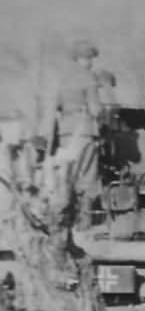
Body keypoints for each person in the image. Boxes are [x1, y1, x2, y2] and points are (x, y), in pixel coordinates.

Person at [41, 39, 104, 208]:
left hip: (65, 132)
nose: (91, 63)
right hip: (84, 130)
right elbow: (95, 109)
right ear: (85, 59)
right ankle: (84, 220)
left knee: (67, 173)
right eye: (90, 58)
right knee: (86, 177)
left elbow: (55, 107)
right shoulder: (88, 77)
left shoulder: (63, 78)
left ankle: (65, 213)